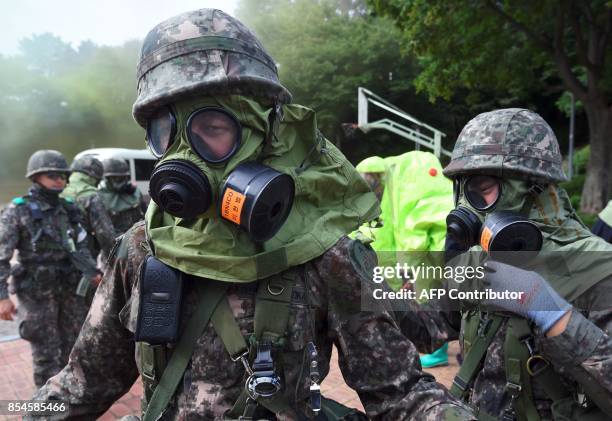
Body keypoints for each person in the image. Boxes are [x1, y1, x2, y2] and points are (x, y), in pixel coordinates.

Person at [31, 9, 474, 421]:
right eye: (166, 132)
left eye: (212, 129)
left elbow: (400, 393)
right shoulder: (141, 249)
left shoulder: (324, 253)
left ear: (264, 134)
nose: (185, 156)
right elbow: (80, 385)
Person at [399, 108, 612, 420]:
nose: (466, 208)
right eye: (461, 189)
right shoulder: (478, 260)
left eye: (481, 189)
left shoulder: (598, 269)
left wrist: (552, 313)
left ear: (531, 187)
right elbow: (431, 330)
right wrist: (375, 290)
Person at [0, 150, 100, 387]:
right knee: (46, 353)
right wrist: (2, 296)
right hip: (37, 293)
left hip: (70, 290)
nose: (59, 180)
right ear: (36, 177)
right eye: (51, 175)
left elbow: (81, 246)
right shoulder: (18, 210)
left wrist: (93, 273)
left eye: (62, 175)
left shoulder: (69, 208)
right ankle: (47, 407)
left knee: (73, 348)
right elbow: (1, 256)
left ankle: (69, 399)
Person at [356, 152, 454, 368]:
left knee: (429, 294)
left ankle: (437, 349)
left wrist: (408, 261)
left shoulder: (406, 175)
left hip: (431, 248)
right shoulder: (393, 180)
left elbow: (415, 221)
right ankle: (435, 344)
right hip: (432, 247)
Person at [62, 155, 117, 264]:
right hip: (83, 257)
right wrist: (113, 260)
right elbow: (105, 233)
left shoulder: (59, 190)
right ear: (95, 177)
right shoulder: (91, 196)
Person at [98, 157, 146, 234]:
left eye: (124, 177)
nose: (122, 181)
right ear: (107, 179)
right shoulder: (99, 197)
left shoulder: (135, 193)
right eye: (116, 178)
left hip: (137, 237)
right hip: (115, 239)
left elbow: (146, 214)